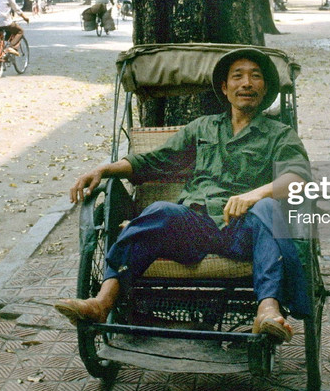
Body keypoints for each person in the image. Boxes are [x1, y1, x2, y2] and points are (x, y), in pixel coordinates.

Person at [54, 48, 312, 342]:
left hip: (246, 230)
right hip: (196, 225)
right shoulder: (202, 127)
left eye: (255, 77)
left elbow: (297, 177)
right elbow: (155, 160)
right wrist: (105, 169)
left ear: (265, 88)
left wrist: (256, 195)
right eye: (237, 76)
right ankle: (102, 303)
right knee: (159, 211)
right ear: (225, 89)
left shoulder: (279, 134)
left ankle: (267, 311)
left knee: (269, 211)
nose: (247, 83)